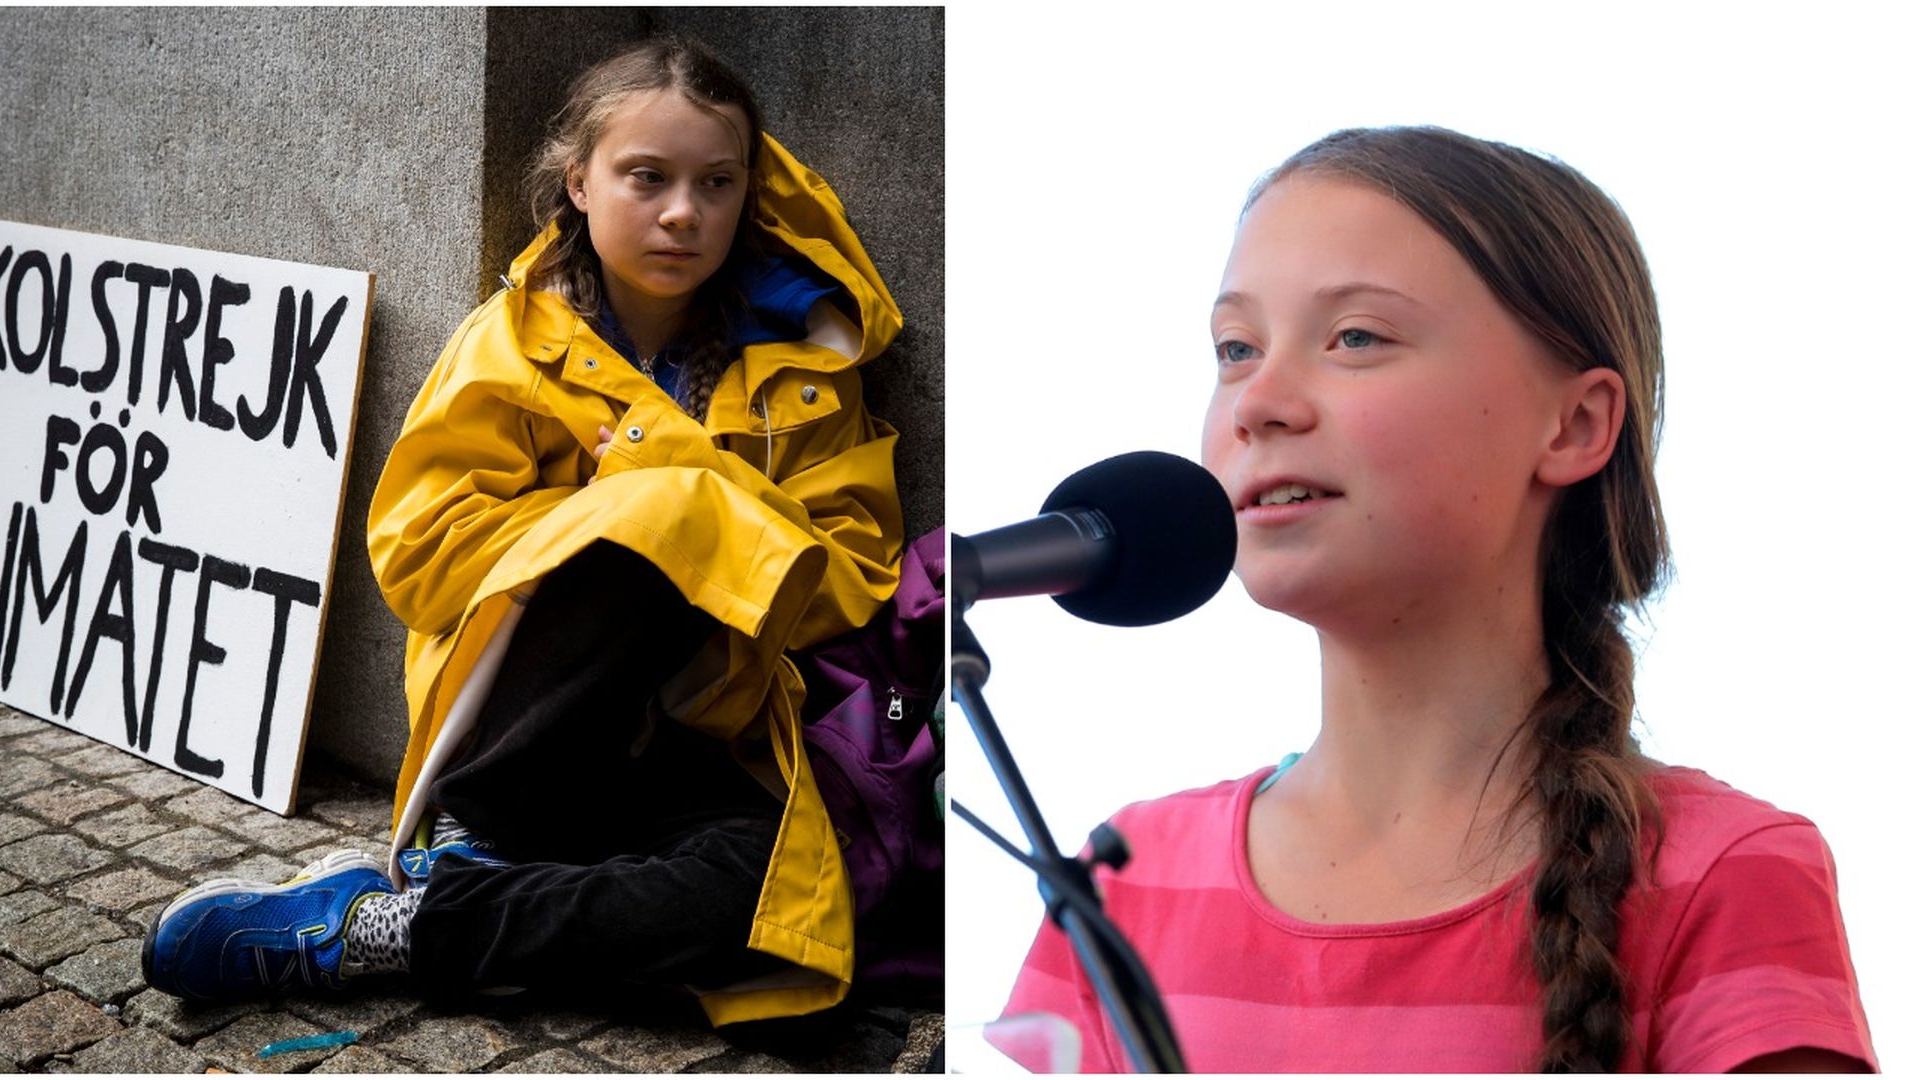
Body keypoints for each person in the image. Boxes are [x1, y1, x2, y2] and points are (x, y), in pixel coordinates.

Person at [1001, 127, 1877, 1072]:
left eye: (1356, 337)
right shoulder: (1124, 878)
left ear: (1575, 424)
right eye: (1236, 348)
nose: (1258, 403)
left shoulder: (1724, 875)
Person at [142, 35, 911, 1025]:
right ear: (579, 183)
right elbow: (419, 556)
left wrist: (683, 478)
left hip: (703, 737)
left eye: (717, 183)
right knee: (660, 514)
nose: (684, 212)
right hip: (521, 746)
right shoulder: (507, 343)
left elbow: (856, 575)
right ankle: (483, 836)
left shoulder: (809, 374)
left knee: (778, 918)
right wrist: (633, 506)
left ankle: (389, 930)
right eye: (647, 176)